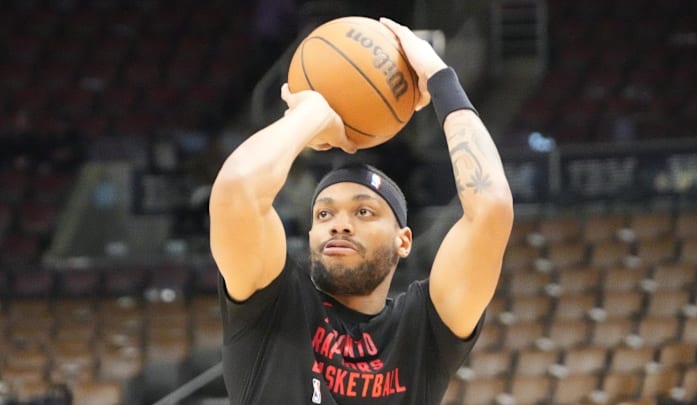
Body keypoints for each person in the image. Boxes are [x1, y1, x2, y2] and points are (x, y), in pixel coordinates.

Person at [209, 17, 514, 404]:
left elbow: (492, 209)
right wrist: (310, 115)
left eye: (364, 212)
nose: (340, 225)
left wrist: (440, 78)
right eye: (324, 214)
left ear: (404, 241)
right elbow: (236, 192)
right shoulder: (273, 305)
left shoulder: (421, 332)